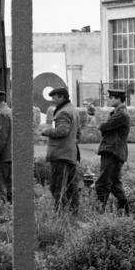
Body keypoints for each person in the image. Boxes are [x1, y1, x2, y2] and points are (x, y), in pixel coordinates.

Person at [41, 86, 81, 214]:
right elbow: (78, 133)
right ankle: (73, 212)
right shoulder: (73, 110)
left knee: (57, 186)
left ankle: (60, 213)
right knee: (70, 186)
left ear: (62, 97)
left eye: (54, 97)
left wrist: (46, 131)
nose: (52, 100)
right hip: (70, 154)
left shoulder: (63, 112)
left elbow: (62, 131)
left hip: (60, 154)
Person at [96, 88, 130, 213]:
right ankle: (124, 211)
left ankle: (100, 212)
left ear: (117, 98)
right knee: (115, 184)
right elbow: (106, 127)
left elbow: (104, 127)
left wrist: (101, 125)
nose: (109, 100)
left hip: (112, 151)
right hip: (114, 151)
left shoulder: (121, 114)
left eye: (111, 98)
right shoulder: (117, 113)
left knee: (103, 183)